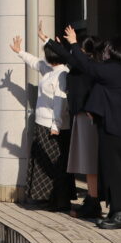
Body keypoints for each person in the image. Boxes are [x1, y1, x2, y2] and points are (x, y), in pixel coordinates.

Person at [61, 25, 121, 230]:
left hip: (117, 130)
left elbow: (88, 66)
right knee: (111, 171)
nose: (104, 52)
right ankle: (115, 212)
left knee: (118, 173)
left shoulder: (116, 71)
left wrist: (73, 44)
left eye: (108, 49)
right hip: (112, 128)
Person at [10, 33, 72, 211]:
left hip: (53, 127)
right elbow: (35, 63)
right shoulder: (51, 69)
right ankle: (46, 198)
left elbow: (60, 101)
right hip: (43, 124)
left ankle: (57, 200)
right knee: (42, 162)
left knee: (53, 165)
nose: (43, 56)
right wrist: (19, 52)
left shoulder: (62, 74)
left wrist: (56, 125)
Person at [46, 28, 101, 219]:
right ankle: (92, 199)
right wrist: (51, 42)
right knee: (87, 162)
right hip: (81, 116)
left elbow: (70, 58)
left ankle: (94, 202)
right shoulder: (83, 65)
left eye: (77, 48)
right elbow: (68, 57)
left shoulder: (87, 66)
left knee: (89, 162)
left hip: (88, 117)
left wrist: (71, 43)